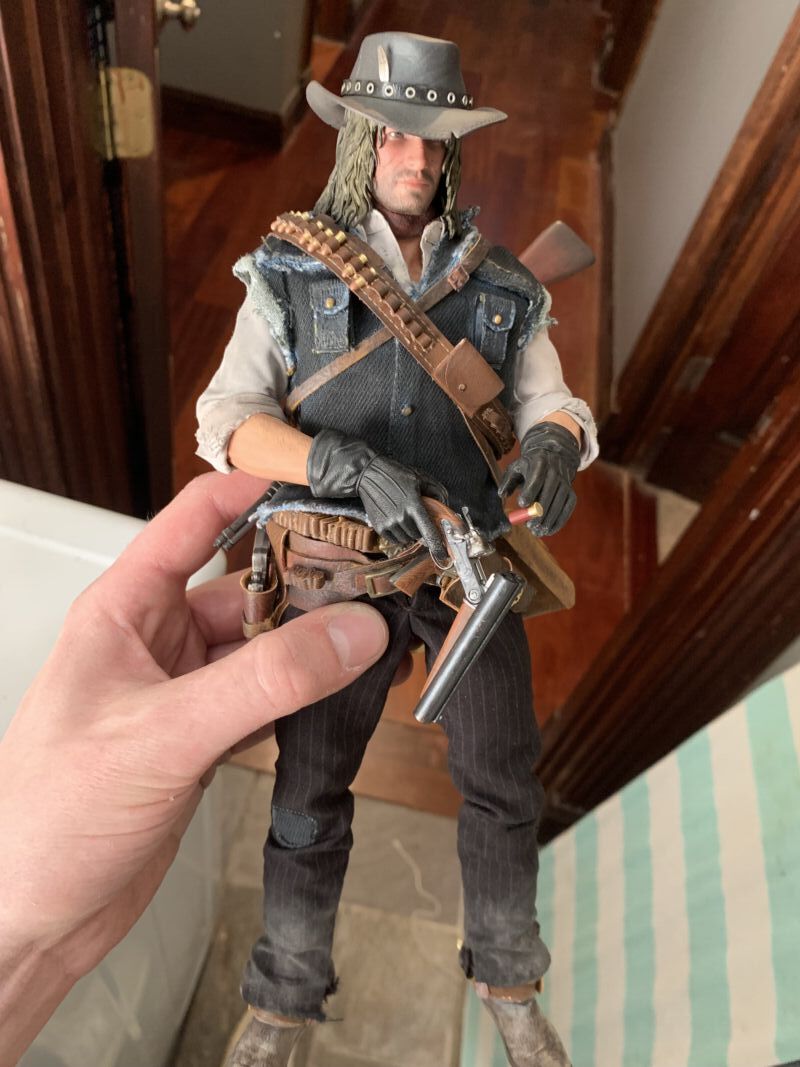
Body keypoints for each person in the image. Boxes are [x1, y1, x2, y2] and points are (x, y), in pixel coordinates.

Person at [196, 31, 598, 1067]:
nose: (413, 159)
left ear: (452, 151)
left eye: (431, 140)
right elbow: (225, 421)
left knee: (504, 785)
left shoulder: (503, 285)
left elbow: (552, 401)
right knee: (307, 794)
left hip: (467, 571)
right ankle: (283, 997)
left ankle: (509, 979)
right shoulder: (290, 272)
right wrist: (329, 459)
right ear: (360, 143)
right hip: (339, 570)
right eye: (392, 136)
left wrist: (554, 444)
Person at [0, 471, 390, 1066]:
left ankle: (505, 979)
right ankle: (284, 996)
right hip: (319, 567)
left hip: (427, 567)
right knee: (302, 815)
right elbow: (236, 433)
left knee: (492, 782)